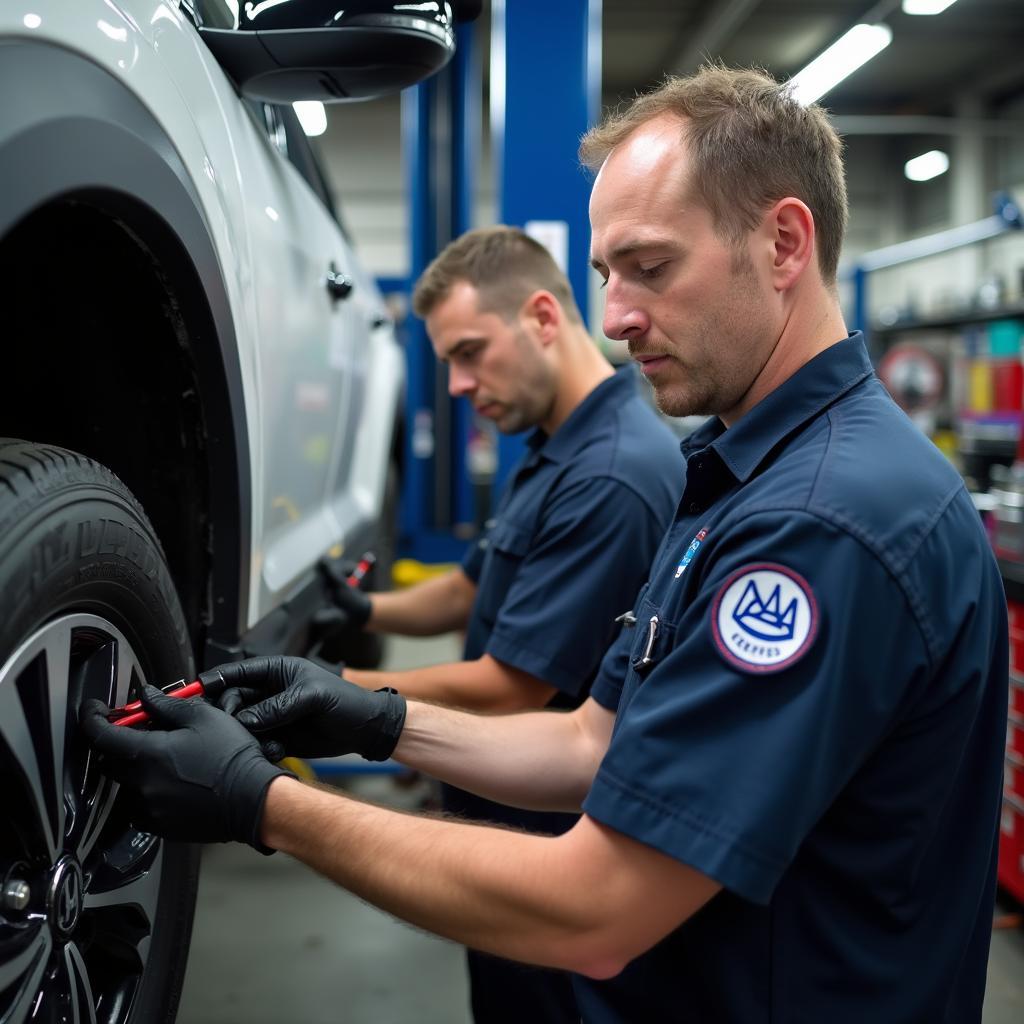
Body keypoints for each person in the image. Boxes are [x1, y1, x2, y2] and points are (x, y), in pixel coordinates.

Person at [83, 65, 1008, 1022]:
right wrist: (370, 717)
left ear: (782, 242)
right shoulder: (747, 472)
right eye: (607, 275)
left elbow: (594, 908)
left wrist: (259, 803)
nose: (615, 317)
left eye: (651, 267)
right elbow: (591, 741)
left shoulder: (823, 524)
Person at [329, 224, 683, 1021]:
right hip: (493, 803)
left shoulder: (614, 475)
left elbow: (509, 686)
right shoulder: (552, 440)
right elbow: (466, 591)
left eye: (469, 352)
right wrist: (358, 609)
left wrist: (336, 692)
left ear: (544, 318)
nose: (456, 385)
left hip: (544, 836)